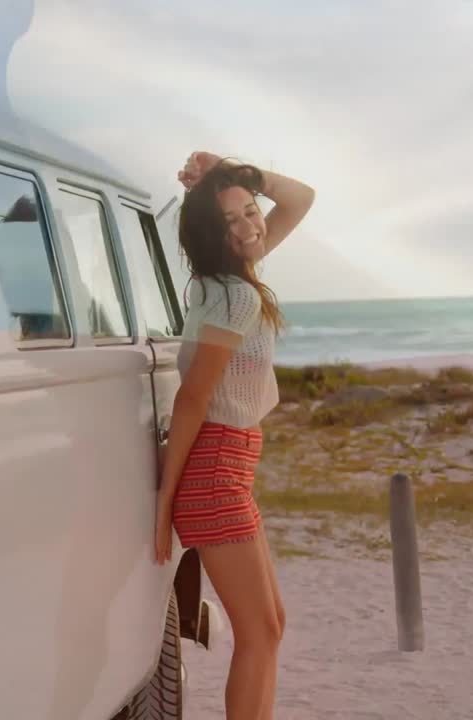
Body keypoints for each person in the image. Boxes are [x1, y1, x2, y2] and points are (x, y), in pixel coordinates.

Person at [153, 151, 314, 720]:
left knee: (270, 626)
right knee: (259, 632)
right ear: (211, 233)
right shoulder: (234, 294)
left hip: (229, 465)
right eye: (232, 220)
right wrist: (166, 503)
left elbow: (300, 198)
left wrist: (234, 172)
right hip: (215, 466)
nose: (251, 225)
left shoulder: (224, 280)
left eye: (251, 212)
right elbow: (192, 398)